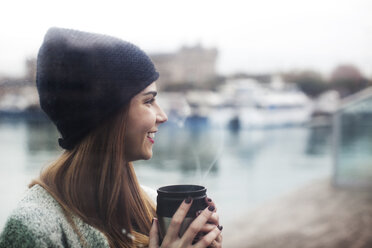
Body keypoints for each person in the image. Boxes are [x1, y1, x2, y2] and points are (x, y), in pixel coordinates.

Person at [0, 28, 222, 248]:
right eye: (148, 101)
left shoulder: (151, 203)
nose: (163, 116)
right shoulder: (31, 228)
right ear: (108, 114)